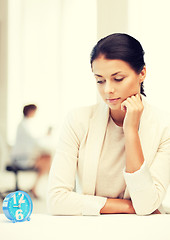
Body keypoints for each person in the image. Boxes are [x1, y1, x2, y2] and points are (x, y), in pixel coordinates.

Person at [47, 33, 170, 215]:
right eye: (100, 80)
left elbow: (145, 204)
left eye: (118, 78)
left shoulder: (163, 127)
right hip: (92, 229)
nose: (108, 90)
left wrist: (131, 131)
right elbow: (56, 200)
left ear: (142, 73)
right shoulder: (78, 120)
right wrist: (128, 207)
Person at [11, 104, 51, 198]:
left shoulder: (25, 124)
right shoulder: (23, 126)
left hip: (24, 156)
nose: (35, 113)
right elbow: (34, 141)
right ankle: (35, 187)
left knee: (47, 159)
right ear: (30, 111)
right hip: (21, 158)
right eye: (34, 111)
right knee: (47, 160)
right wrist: (45, 135)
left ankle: (34, 187)